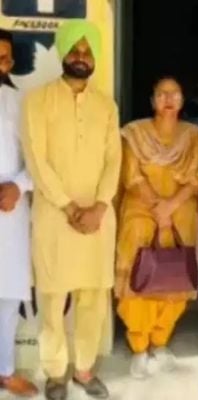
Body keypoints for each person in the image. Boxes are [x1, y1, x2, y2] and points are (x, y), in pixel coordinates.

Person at [21, 20, 121, 400]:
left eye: (88, 50)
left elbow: (115, 159)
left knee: (92, 298)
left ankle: (83, 368)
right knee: (52, 299)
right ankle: (56, 373)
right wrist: (68, 206)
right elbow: (36, 157)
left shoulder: (106, 105)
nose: (81, 56)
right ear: (64, 53)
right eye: (75, 50)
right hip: (54, 216)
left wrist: (98, 206)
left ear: (94, 57)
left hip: (97, 218)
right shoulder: (37, 101)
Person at [115, 76, 198, 379]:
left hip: (179, 216)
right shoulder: (134, 133)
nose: (168, 99)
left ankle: (161, 342)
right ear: (152, 101)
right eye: (161, 94)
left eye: (175, 94)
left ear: (182, 101)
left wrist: (169, 207)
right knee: (137, 281)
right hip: (141, 214)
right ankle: (139, 346)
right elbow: (131, 177)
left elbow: (196, 178)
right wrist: (157, 207)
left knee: (175, 281)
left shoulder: (193, 135)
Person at [0, 28, 39, 398]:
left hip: (9, 212)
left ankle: (6, 371)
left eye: (2, 57)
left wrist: (19, 186)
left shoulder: (22, 103)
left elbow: (38, 161)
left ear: (10, 62)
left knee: (8, 296)